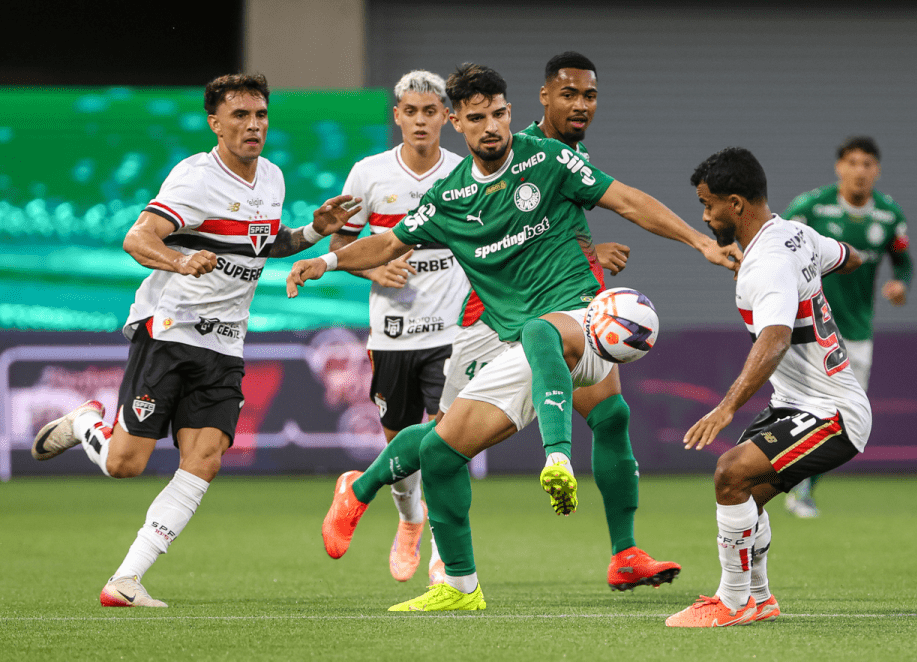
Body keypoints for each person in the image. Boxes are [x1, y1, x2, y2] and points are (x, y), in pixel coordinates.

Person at [289, 63, 740, 611]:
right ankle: (379, 508)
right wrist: (326, 262)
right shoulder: (449, 197)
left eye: (499, 114)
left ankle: (606, 527)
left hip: (578, 318)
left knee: (603, 406)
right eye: (477, 118)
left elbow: (625, 200)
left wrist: (700, 242)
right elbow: (387, 244)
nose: (492, 127)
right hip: (490, 329)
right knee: (439, 447)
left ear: (511, 111)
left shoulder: (547, 159)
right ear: (457, 122)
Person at [30, 73, 359, 607]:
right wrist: (180, 261)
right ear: (215, 123)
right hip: (170, 331)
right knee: (125, 464)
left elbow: (261, 244)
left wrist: (314, 231)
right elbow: (137, 238)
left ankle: (125, 580)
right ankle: (85, 421)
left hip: (226, 344)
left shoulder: (272, 178)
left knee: (205, 458)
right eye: (240, 115)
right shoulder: (195, 179)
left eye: (260, 115)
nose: (253, 125)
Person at [666, 147, 871, 627]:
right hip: (797, 403)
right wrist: (820, 272)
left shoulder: (769, 263)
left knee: (730, 473)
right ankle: (758, 598)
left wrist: (725, 407)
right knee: (742, 494)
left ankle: (733, 601)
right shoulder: (796, 235)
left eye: (708, 204)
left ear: (735, 204)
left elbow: (775, 339)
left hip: (832, 412)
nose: (705, 216)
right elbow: (851, 257)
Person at [326, 70, 470, 583]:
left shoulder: (465, 173)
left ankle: (443, 552)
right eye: (411, 112)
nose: (420, 121)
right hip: (390, 333)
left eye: (430, 112)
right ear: (397, 116)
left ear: (446, 117)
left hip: (451, 333)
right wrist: (374, 269)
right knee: (399, 445)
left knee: (447, 442)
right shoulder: (368, 174)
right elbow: (340, 246)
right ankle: (410, 521)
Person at [780, 136, 912, 518]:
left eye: (867, 164)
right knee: (804, 406)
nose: (860, 171)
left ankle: (804, 485)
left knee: (848, 417)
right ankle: (786, 483)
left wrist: (900, 284)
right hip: (809, 326)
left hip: (857, 332)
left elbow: (903, 262)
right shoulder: (811, 207)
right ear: (839, 167)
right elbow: (780, 244)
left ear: (877, 171)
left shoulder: (888, 215)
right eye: (852, 163)